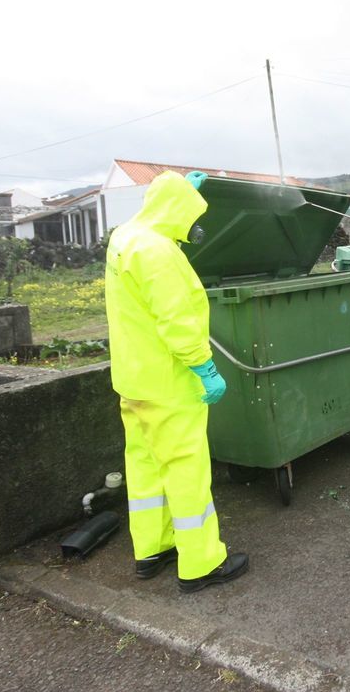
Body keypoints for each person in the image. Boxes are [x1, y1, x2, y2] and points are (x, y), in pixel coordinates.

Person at [104, 169, 249, 592]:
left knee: (146, 465)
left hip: (133, 380)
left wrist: (184, 188)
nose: (193, 226)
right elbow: (176, 320)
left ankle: (152, 548)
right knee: (186, 469)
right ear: (175, 210)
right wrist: (204, 367)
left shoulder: (125, 237)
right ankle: (201, 563)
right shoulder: (158, 253)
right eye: (190, 215)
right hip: (169, 383)